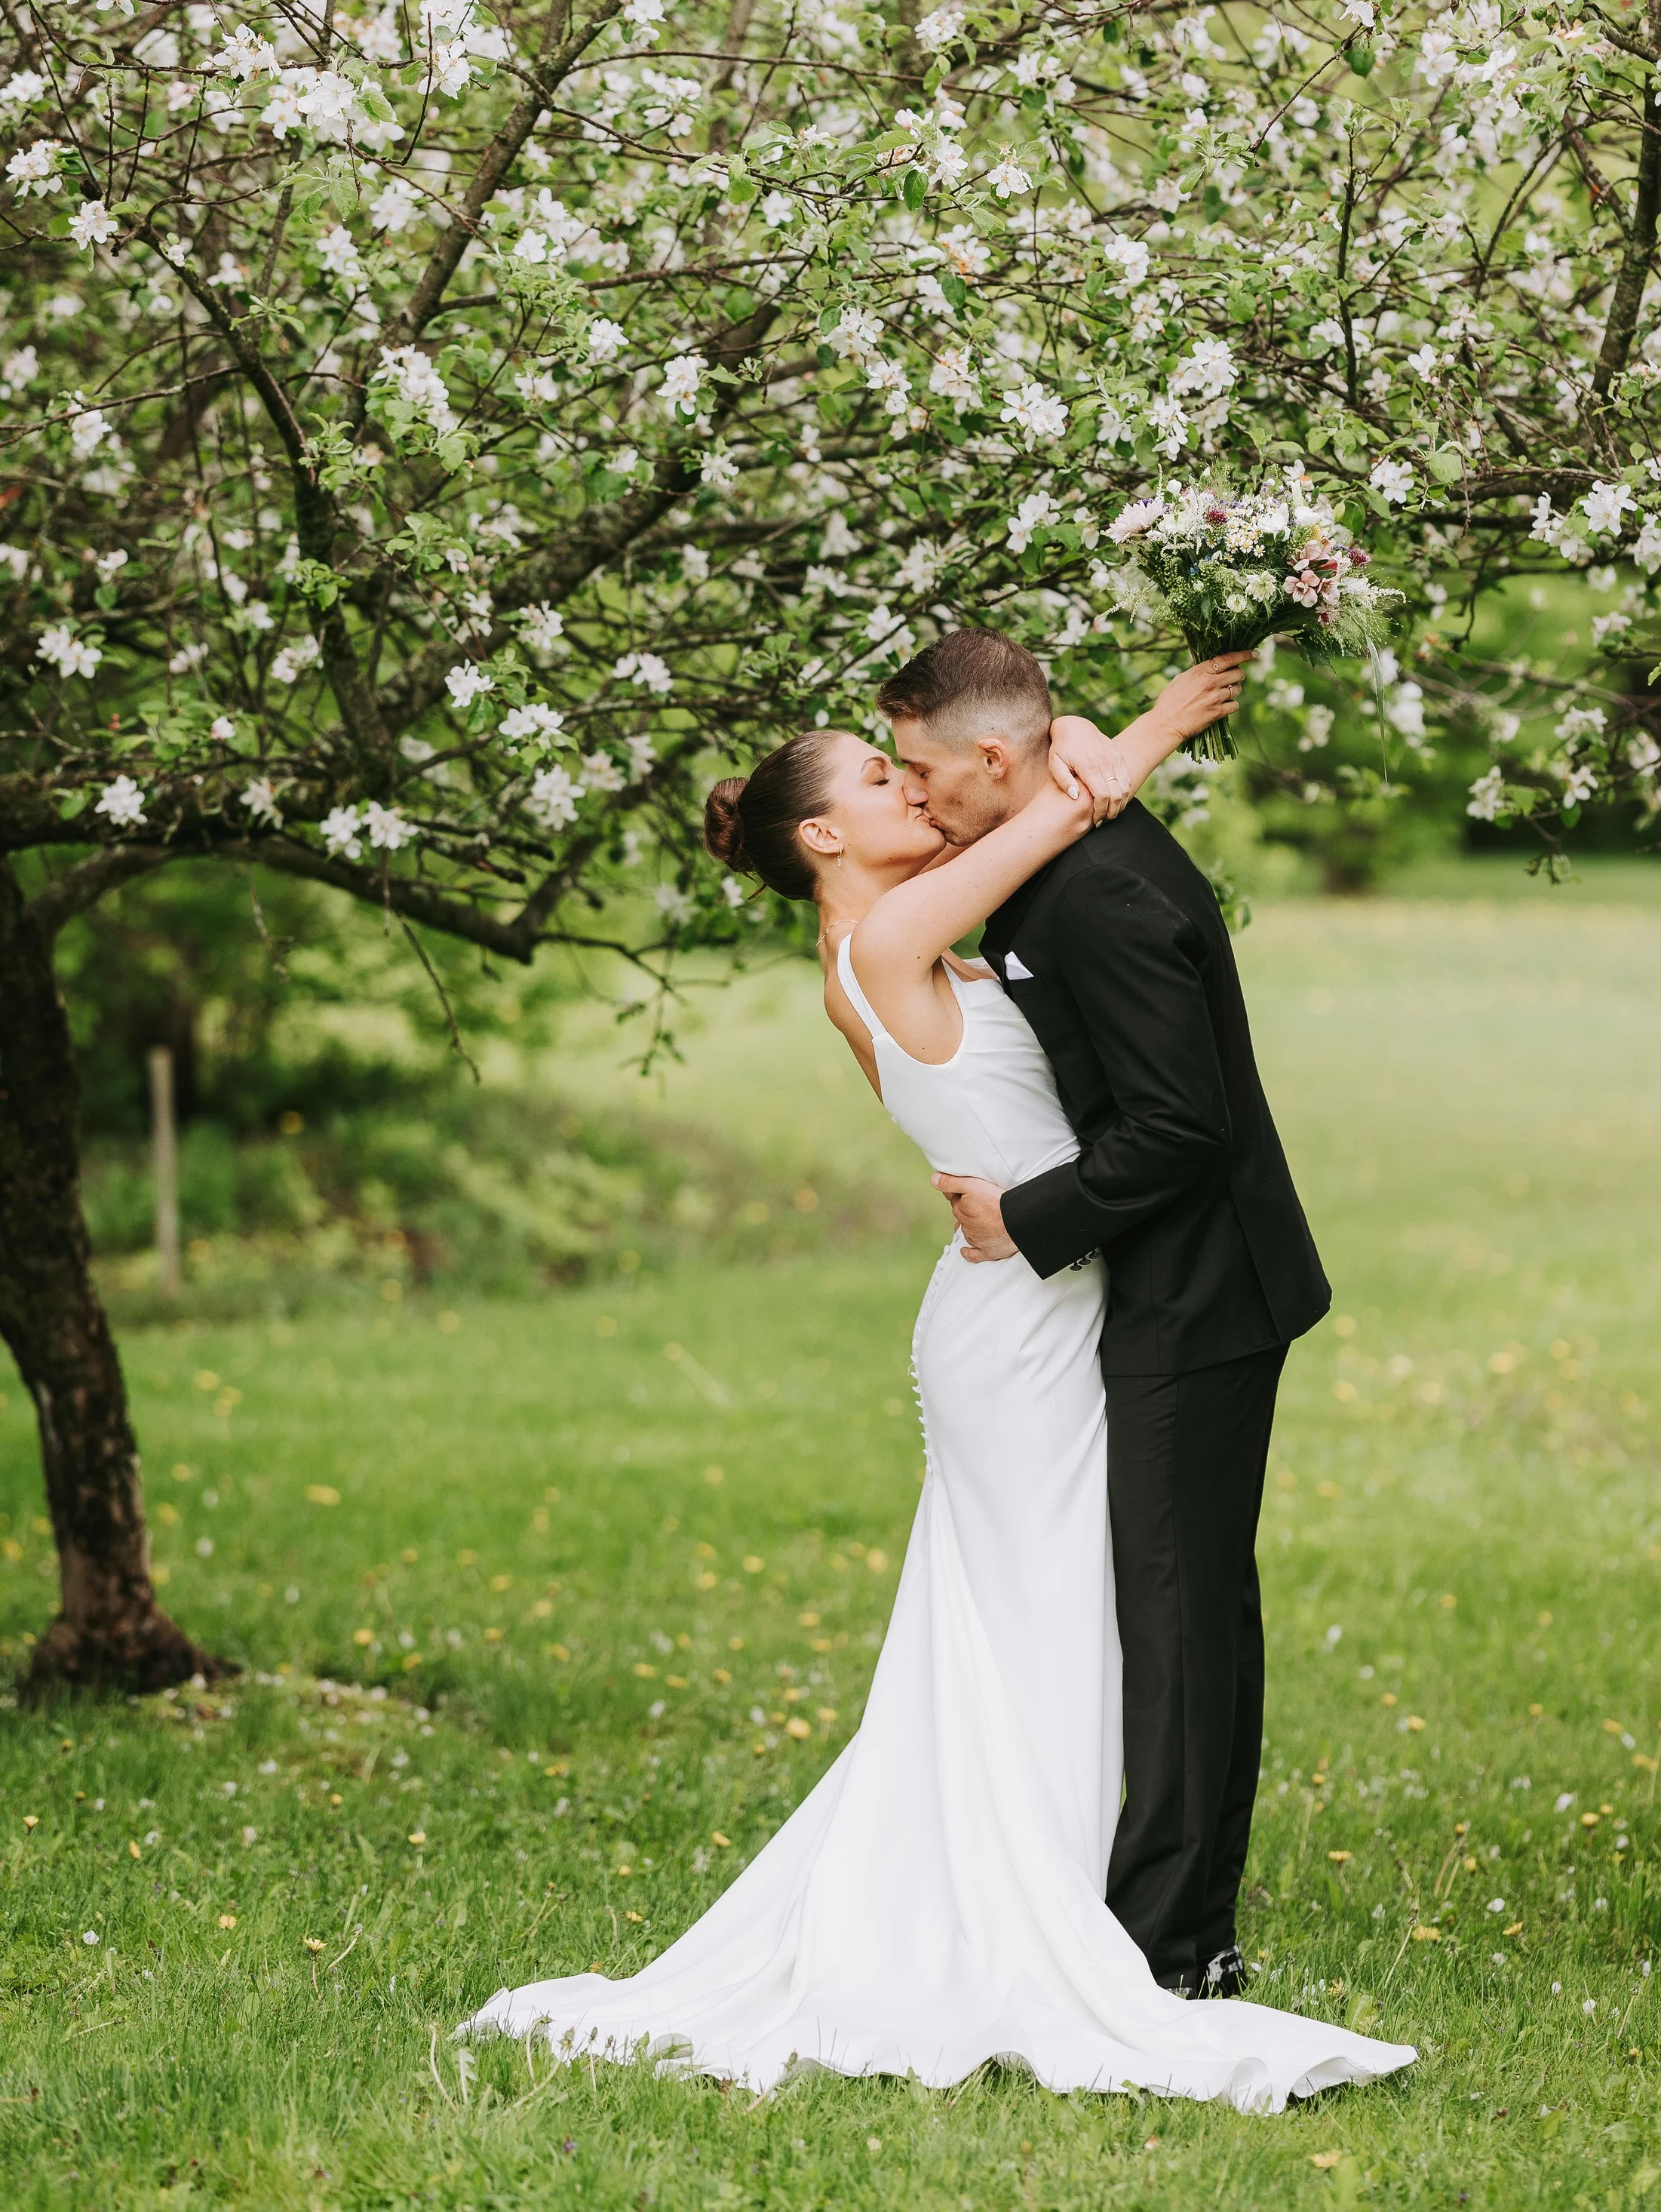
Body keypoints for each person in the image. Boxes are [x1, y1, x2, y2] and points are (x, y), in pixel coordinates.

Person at [463, 653, 1413, 2113]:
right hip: (1015, 1319)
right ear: (826, 840)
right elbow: (1047, 810)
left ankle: (1056, 1879)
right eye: (875, 780)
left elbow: (1025, 843)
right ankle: (1050, 1905)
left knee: (1032, 1607)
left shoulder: (882, 946)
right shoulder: (893, 929)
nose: (906, 790)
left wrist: (1067, 740)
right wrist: (1138, 727)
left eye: (908, 769)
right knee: (1043, 1603)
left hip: (1018, 1299)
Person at [880, 628, 1330, 2004]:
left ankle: (1177, 1947)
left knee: (1184, 1617)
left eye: (921, 770)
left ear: (998, 760)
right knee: (1175, 1607)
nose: (913, 798)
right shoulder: (1057, 848)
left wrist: (1026, 1219)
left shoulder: (1100, 897)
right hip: (1151, 1288)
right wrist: (1117, 745)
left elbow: (1181, 1126)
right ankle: (1164, 1915)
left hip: (1202, 1293)